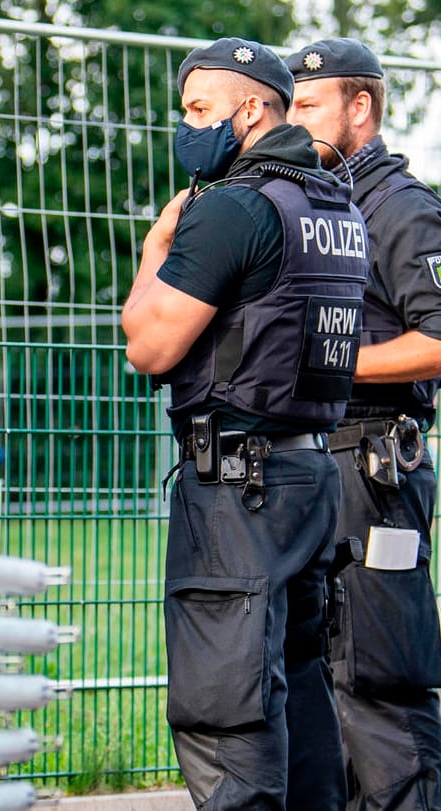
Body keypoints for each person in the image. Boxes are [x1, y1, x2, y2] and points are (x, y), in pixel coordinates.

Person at [122, 37, 369, 810]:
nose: (188, 126)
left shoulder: (235, 207)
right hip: (310, 472)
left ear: (252, 108)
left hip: (236, 487)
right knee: (299, 685)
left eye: (200, 109)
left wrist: (158, 247)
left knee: (227, 704)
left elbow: (149, 344)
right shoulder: (336, 204)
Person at [284, 37, 441, 811]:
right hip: (319, 468)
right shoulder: (318, 202)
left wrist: (328, 365)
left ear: (361, 107)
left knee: (382, 676)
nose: (294, 118)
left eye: (309, 104)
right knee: (323, 678)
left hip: (380, 465)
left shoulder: (402, 207)